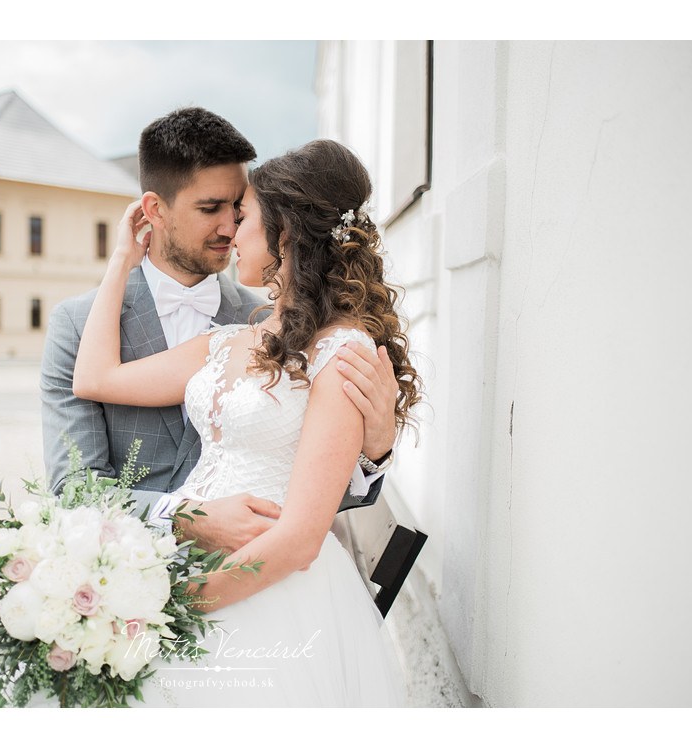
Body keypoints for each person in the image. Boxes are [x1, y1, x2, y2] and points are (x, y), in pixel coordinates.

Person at [72, 137, 421, 707]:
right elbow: (96, 378)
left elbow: (302, 539)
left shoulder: (342, 352)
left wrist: (177, 603)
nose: (232, 231)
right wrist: (121, 261)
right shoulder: (230, 341)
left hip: (267, 589)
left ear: (285, 235)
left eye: (246, 215)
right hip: (184, 557)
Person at [41, 108, 400, 557]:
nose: (230, 227)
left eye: (238, 209)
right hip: (132, 572)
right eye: (211, 208)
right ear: (155, 210)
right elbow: (74, 490)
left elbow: (313, 494)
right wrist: (183, 519)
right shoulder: (79, 326)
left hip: (267, 572)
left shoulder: (292, 324)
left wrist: (376, 451)